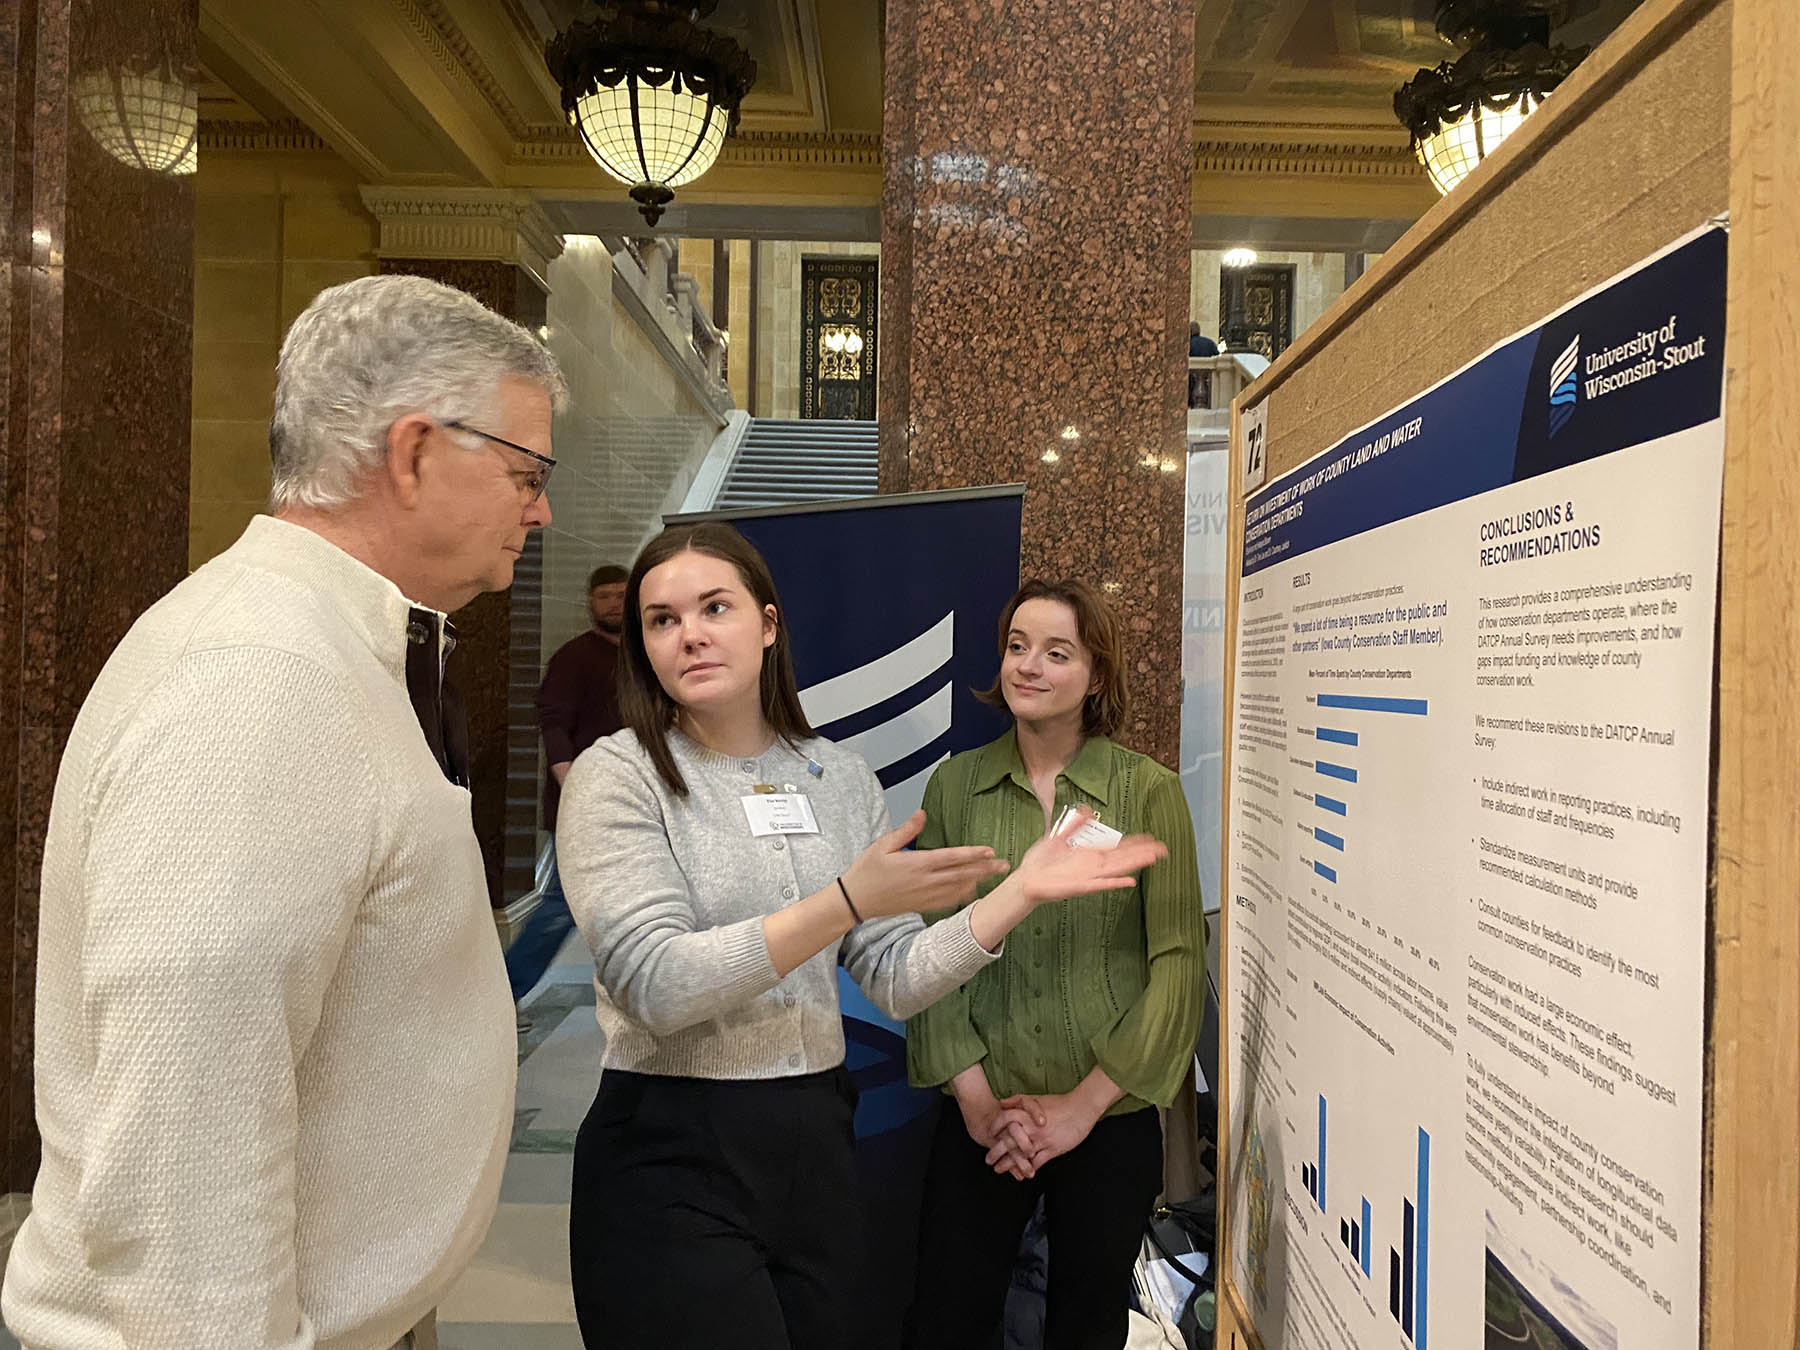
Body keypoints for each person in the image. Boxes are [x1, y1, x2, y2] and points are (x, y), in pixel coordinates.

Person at [1, 274, 567, 1350]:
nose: (539, 509)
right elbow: (182, 1141)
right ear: (414, 452)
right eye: (525, 472)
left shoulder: (318, 644)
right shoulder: (260, 677)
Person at [555, 524, 1168, 1350]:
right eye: (662, 620)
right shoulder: (618, 773)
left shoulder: (837, 777)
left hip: (813, 1140)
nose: (690, 634)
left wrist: (1017, 894)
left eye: (714, 608)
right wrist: (844, 901)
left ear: (768, 625)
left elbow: (895, 975)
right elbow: (654, 984)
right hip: (669, 1143)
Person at [905, 578, 1207, 1350]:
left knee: (1088, 1323)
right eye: (1017, 646)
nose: (1028, 666)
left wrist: (1080, 1108)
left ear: (1097, 675)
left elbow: (1177, 962)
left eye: (1056, 653)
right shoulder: (956, 787)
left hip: (1107, 1117)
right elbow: (929, 950)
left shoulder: (1148, 791)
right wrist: (978, 1104)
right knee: (947, 1317)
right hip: (982, 1116)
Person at [509, 563, 630, 1026]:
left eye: (621, 594)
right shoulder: (574, 657)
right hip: (583, 803)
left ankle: (640, 992)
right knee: (563, 905)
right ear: (590, 603)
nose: (613, 604)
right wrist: (572, 783)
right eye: (604, 596)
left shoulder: (646, 655)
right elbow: (553, 721)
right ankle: (503, 995)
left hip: (640, 800)